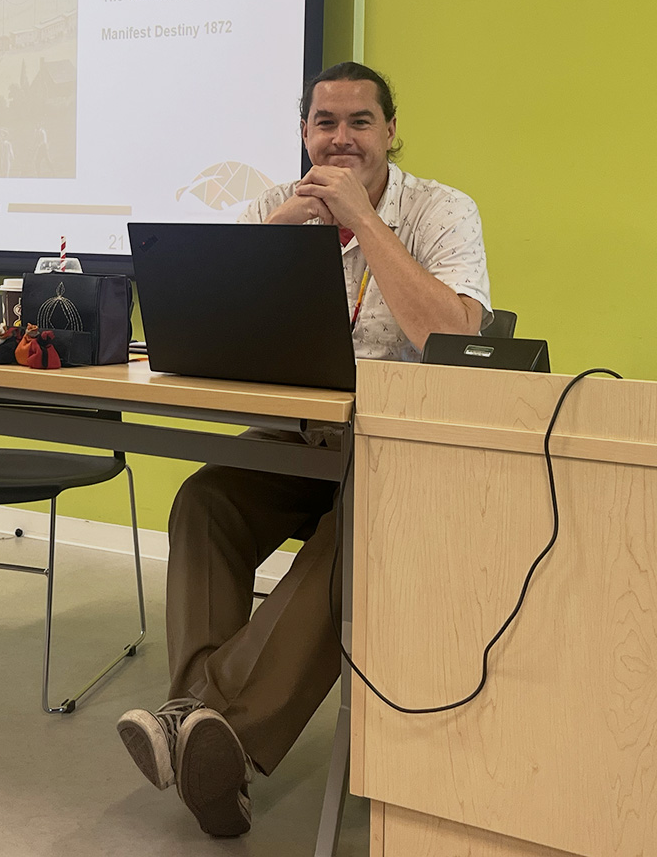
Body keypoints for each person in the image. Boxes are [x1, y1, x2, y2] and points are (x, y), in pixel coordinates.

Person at [116, 62, 492, 837]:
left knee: (353, 529)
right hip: (298, 439)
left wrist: (366, 221)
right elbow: (204, 316)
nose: (342, 137)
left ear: (391, 131)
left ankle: (210, 723)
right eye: (326, 122)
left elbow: (452, 335)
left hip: (401, 448)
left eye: (361, 121)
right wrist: (284, 228)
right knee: (205, 501)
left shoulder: (441, 210)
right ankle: (204, 735)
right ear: (303, 132)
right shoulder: (273, 206)